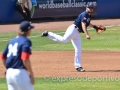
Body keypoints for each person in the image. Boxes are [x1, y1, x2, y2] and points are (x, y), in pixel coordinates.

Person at [41, 2, 97, 72]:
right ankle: (48, 33)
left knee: (78, 50)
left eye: (92, 8)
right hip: (73, 30)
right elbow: (83, 25)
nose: (91, 9)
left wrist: (95, 26)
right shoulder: (84, 14)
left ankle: (78, 67)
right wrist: (87, 34)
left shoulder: (88, 15)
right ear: (86, 8)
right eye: (90, 8)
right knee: (63, 40)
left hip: (77, 33)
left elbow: (87, 23)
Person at [0, 21, 35, 90]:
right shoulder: (26, 41)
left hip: (9, 74)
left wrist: (8, 68)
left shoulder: (12, 41)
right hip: (20, 74)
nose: (31, 31)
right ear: (27, 30)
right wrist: (31, 73)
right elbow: (25, 59)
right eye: (30, 29)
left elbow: (3, 57)